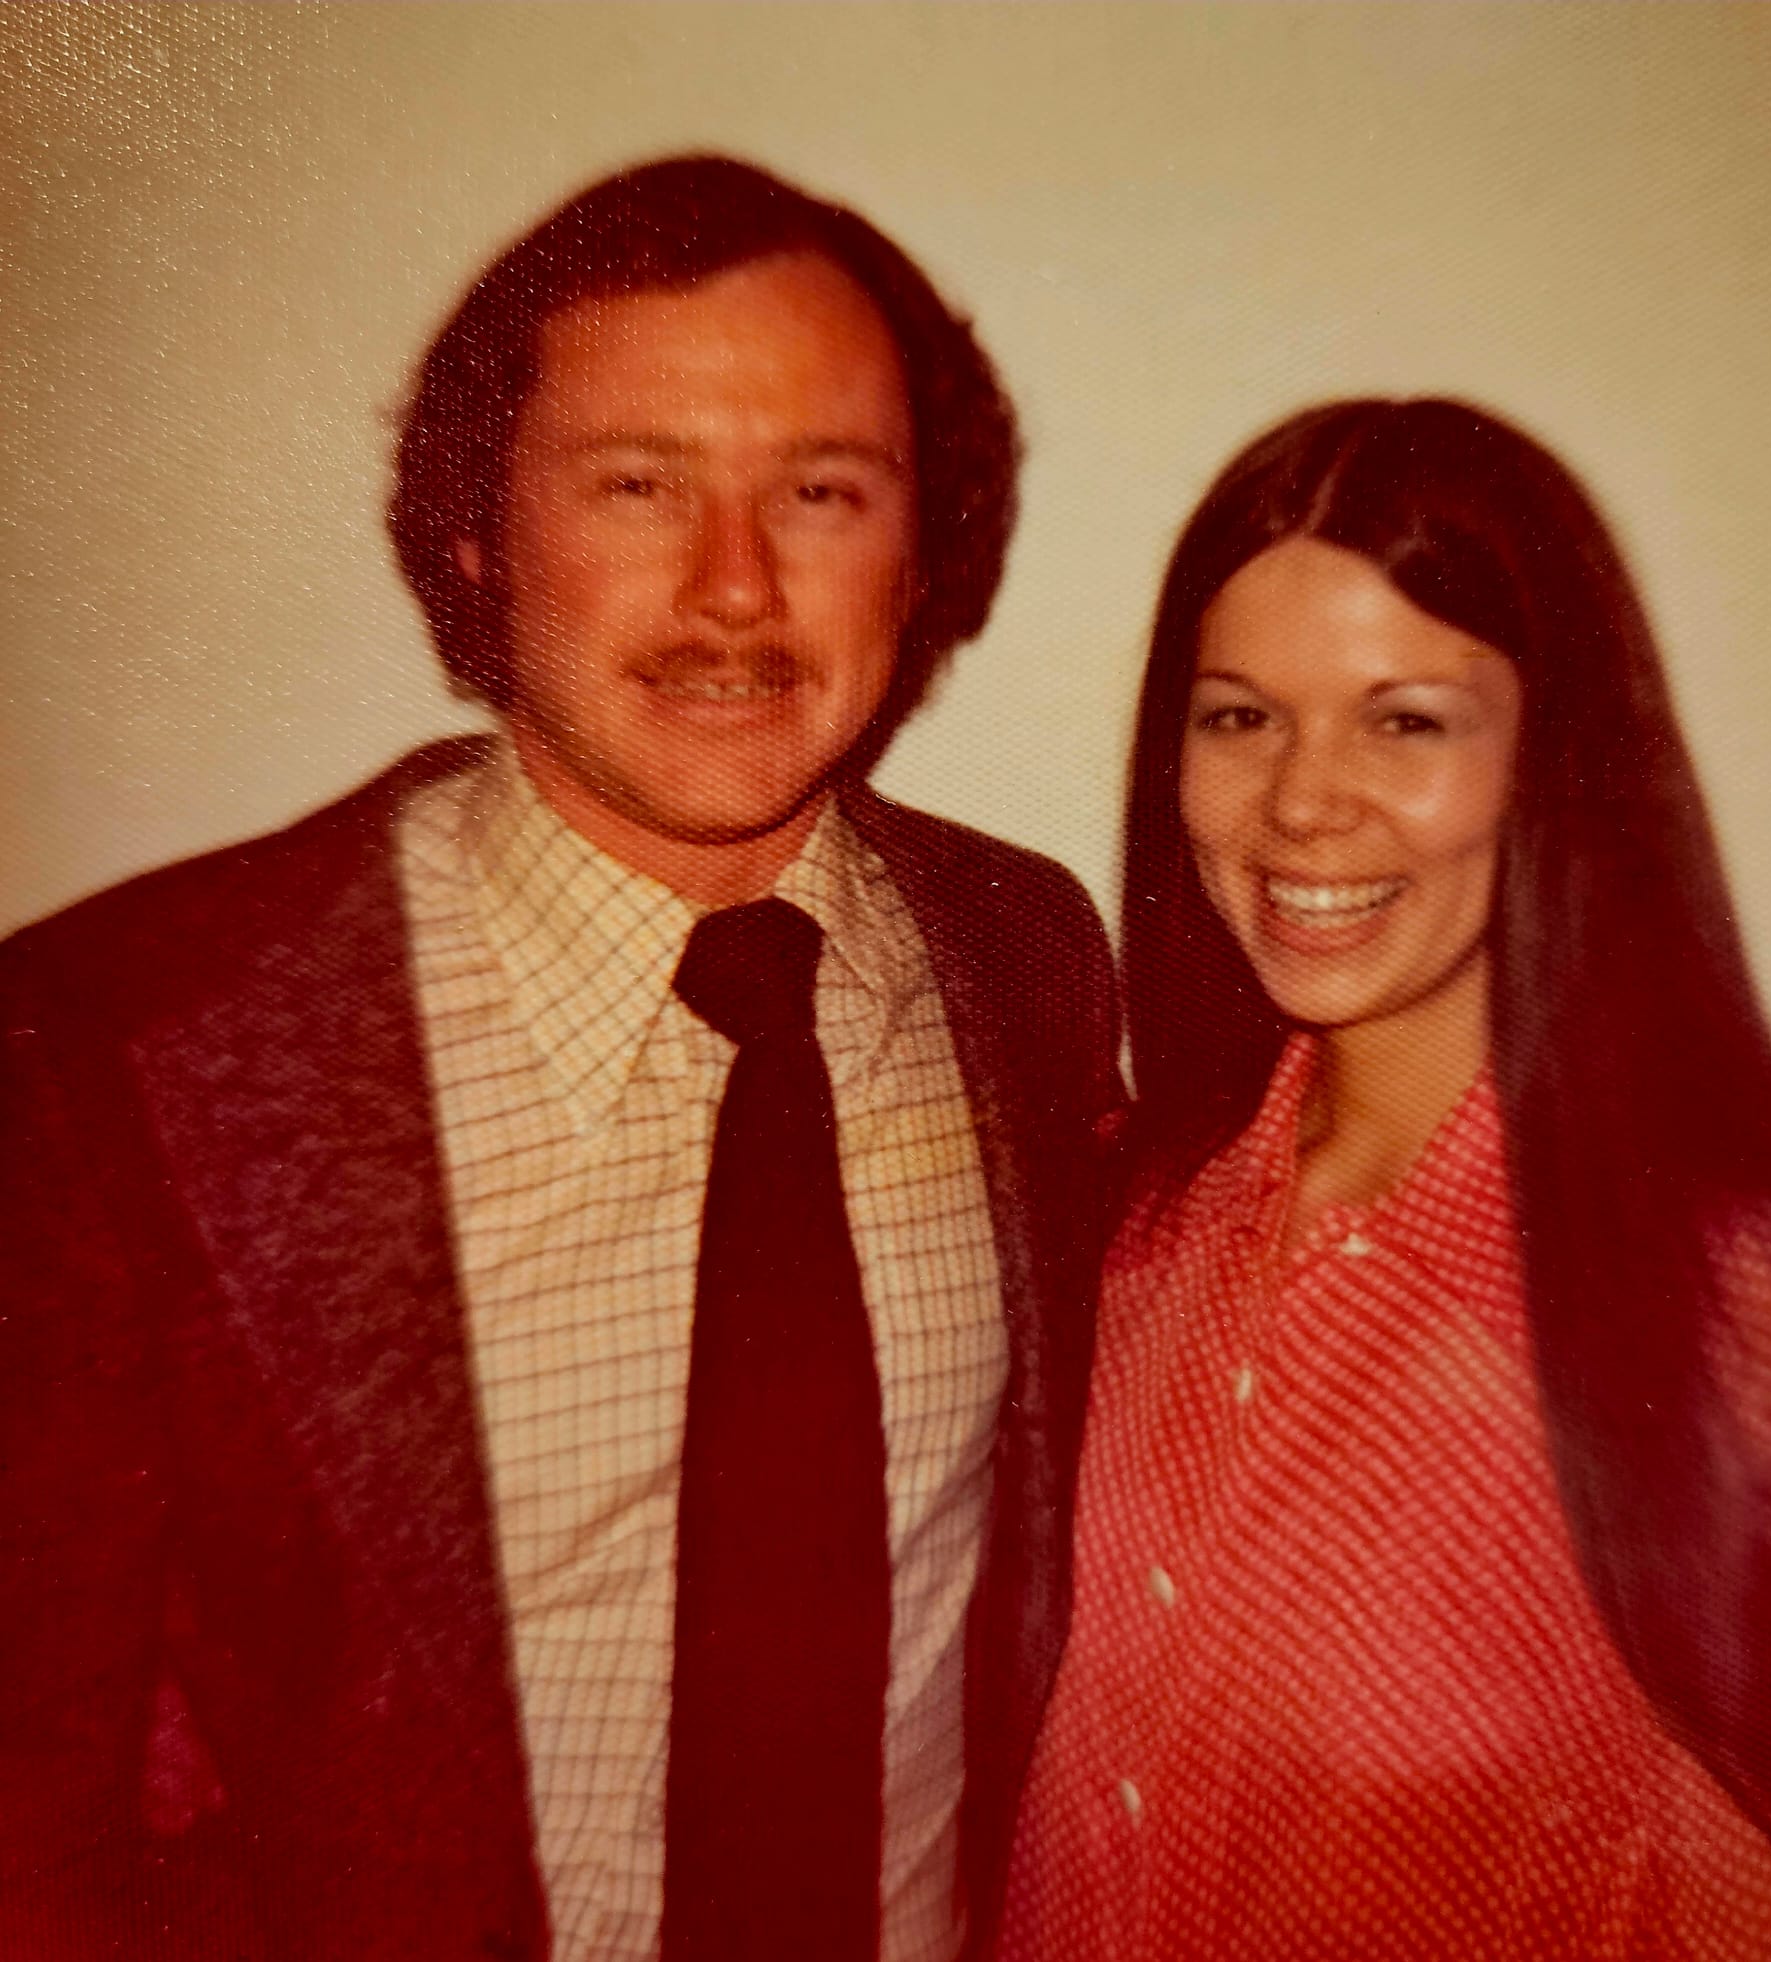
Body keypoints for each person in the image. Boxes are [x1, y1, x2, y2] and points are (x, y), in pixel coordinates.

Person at [0, 156, 1122, 1962]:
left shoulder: (1027, 956)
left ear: (920, 554)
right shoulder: (116, 1048)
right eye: (638, 483)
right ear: (475, 530)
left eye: (821, 492)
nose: (736, 589)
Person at [999, 400, 1771, 1960]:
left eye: (1406, 722)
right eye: (1241, 717)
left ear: (1553, 761)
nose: (1304, 799)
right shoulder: (1128, 1218)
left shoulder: (1732, 1316)